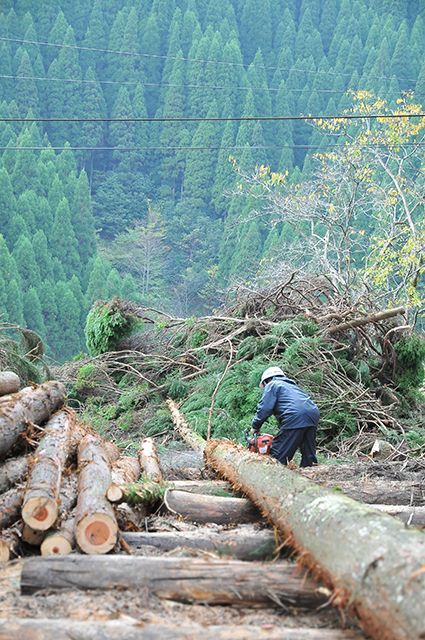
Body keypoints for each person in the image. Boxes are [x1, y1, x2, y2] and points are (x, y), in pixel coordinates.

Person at [251, 366, 319, 467]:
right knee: (308, 453)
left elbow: (264, 408)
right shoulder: (293, 386)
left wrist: (255, 426)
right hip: (313, 413)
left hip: (295, 415)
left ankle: (273, 476)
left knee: (279, 454)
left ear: (266, 381)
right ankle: (310, 474)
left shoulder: (272, 385)